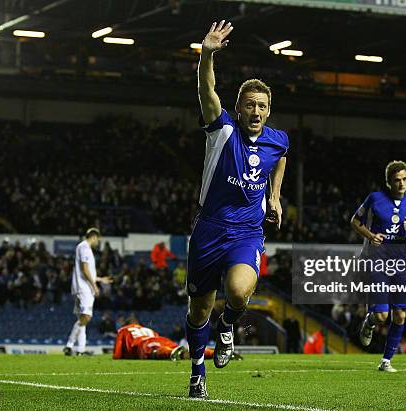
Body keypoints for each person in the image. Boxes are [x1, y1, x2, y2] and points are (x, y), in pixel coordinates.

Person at [185, 20, 289, 398]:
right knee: (198, 311)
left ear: (268, 109)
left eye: (262, 106)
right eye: (250, 105)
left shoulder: (278, 140)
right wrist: (207, 54)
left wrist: (275, 196)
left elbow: (281, 159)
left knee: (240, 294)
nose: (256, 111)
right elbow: (205, 89)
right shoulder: (222, 128)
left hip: (247, 231)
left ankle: (227, 326)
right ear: (239, 108)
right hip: (210, 228)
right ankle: (198, 372)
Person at [352, 160, 406, 372]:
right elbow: (355, 221)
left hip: (401, 264)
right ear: (388, 182)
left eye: (404, 179)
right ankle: (370, 321)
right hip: (377, 260)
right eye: (397, 180)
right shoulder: (375, 199)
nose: (401, 184)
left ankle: (386, 361)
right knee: (381, 316)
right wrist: (370, 235)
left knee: (401, 314)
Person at [63, 228, 112, 356]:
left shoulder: (84, 248)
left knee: (82, 318)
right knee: (86, 317)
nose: (98, 243)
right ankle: (69, 345)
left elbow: (87, 272)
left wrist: (100, 279)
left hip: (83, 286)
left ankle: (80, 349)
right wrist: (94, 285)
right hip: (84, 288)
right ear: (94, 237)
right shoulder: (84, 247)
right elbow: (85, 270)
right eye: (98, 240)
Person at [113, 318, 214, 361]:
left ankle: (171, 353)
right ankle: (213, 353)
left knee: (155, 351)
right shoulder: (147, 329)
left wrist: (119, 356)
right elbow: (156, 336)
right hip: (161, 339)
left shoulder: (123, 329)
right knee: (186, 351)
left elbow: (117, 354)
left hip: (143, 343)